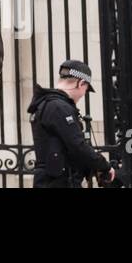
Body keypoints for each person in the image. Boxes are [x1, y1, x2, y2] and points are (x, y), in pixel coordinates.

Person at [28, 59, 116, 188]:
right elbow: (77, 145)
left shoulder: (50, 104)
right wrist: (105, 166)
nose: (83, 95)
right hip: (57, 182)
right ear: (81, 83)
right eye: (85, 89)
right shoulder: (58, 107)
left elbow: (68, 147)